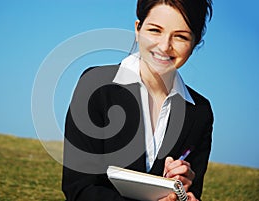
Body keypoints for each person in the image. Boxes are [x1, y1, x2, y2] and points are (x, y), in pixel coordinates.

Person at [62, 0, 213, 200]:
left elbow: (193, 193)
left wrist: (185, 193)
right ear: (138, 29)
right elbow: (79, 189)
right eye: (155, 30)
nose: (165, 46)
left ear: (195, 42)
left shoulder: (200, 112)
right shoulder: (95, 86)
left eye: (180, 36)